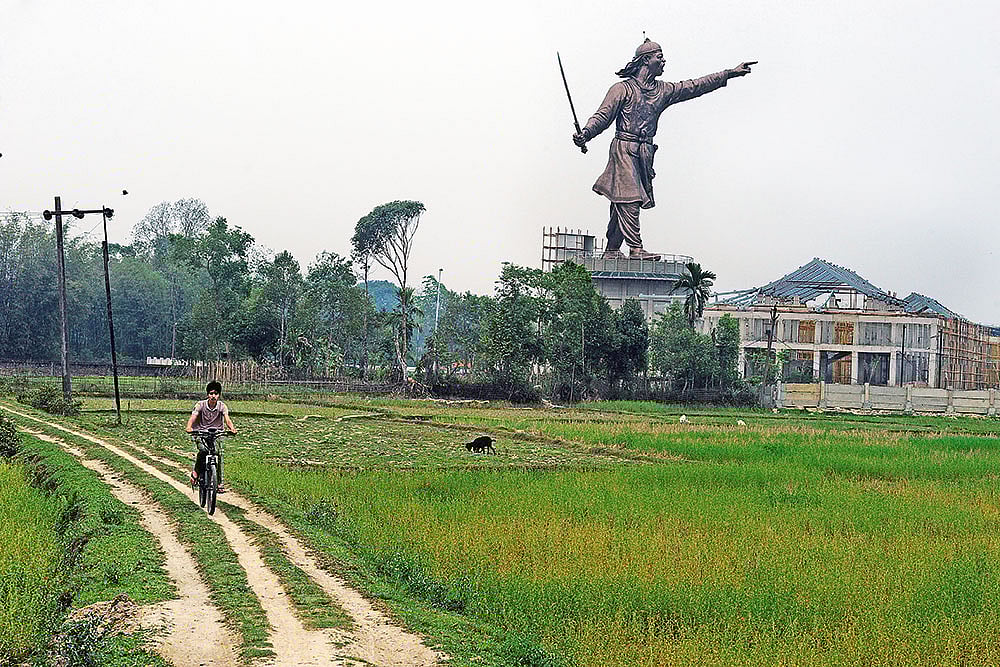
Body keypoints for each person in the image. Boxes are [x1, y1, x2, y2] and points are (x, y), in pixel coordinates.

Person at [573, 38, 756, 260]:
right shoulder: (622, 89)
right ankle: (636, 248)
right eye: (659, 57)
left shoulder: (663, 90)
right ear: (646, 60)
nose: (663, 61)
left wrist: (729, 73)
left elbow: (694, 86)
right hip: (623, 148)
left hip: (644, 153)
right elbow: (603, 115)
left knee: (621, 201)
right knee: (630, 197)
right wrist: (587, 133)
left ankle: (612, 249)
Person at [186, 380, 237, 493]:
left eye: (216, 394)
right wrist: (189, 427)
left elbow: (227, 419)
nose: (213, 396)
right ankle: (196, 472)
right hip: (201, 433)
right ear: (207, 394)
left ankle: (219, 483)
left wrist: (232, 428)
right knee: (203, 450)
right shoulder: (200, 405)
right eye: (211, 393)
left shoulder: (222, 406)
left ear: (219, 395)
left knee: (218, 454)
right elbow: (193, 416)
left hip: (216, 434)